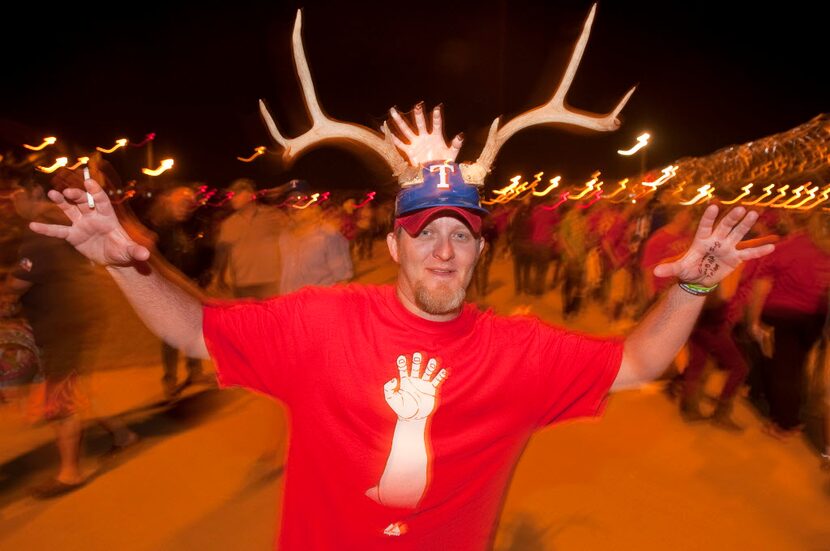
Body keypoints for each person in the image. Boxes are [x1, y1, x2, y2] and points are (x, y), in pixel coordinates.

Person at [28, 101, 774, 547]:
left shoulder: (520, 351)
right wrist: (125, 264)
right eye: (426, 233)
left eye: (462, 234)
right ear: (393, 245)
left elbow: (638, 363)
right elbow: (197, 331)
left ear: (482, 248)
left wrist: (698, 283)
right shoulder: (323, 324)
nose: (444, 250)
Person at [7, 172, 139, 498]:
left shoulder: (40, 232)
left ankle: (70, 473)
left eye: (14, 194)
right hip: (81, 314)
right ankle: (123, 436)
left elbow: (17, 284)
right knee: (79, 384)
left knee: (60, 397)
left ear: (35, 191)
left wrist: (7, 294)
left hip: (64, 323)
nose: (11, 202)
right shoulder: (64, 220)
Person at [211, 178, 285, 299]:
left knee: (269, 317)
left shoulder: (272, 216)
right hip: (241, 283)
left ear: (250, 195)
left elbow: (290, 239)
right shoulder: (229, 224)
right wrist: (217, 278)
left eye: (236, 194)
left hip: (269, 282)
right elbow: (222, 253)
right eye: (231, 195)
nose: (232, 198)